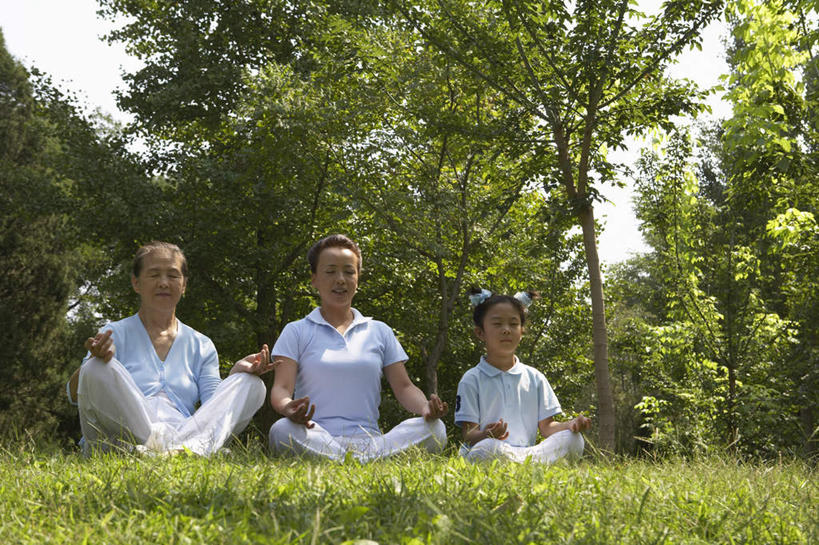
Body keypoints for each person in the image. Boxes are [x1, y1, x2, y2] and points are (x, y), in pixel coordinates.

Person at [67, 241, 273, 456]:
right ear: (136, 283)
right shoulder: (113, 333)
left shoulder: (201, 344)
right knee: (94, 368)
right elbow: (75, 394)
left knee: (252, 384)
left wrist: (236, 373)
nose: (164, 283)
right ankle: (186, 451)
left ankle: (177, 451)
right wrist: (94, 359)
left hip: (182, 431)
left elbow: (213, 407)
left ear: (184, 285)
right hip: (125, 432)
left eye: (173, 276)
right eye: (154, 275)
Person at [268, 234, 448, 462]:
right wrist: (288, 408)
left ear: (358, 278)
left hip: (371, 442)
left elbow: (404, 388)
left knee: (436, 429)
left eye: (349, 271)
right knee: (281, 430)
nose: (340, 279)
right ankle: (360, 462)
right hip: (315, 435)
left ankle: (353, 460)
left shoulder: (379, 330)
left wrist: (425, 408)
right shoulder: (296, 331)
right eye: (330, 271)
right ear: (314, 279)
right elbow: (281, 389)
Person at [454, 289, 591, 463]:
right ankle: (529, 466)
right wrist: (487, 434)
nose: (506, 330)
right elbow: (469, 434)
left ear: (522, 331)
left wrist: (570, 425)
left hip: (528, 453)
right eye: (497, 324)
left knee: (574, 439)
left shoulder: (535, 377)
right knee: (486, 449)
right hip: (491, 450)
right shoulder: (471, 378)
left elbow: (547, 428)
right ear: (480, 333)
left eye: (513, 324)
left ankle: (524, 464)